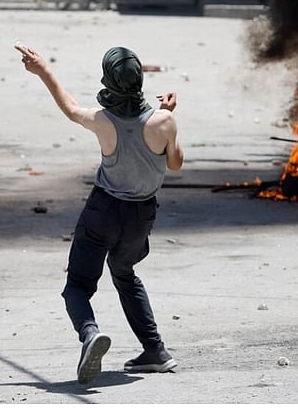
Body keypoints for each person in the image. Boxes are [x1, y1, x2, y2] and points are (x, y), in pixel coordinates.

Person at [16, 43, 184, 384]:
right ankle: (155, 350)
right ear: (139, 81)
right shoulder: (164, 121)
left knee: (77, 286)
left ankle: (90, 334)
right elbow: (175, 164)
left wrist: (44, 70)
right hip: (142, 215)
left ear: (109, 81)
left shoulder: (102, 120)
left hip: (104, 210)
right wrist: (168, 115)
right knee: (124, 272)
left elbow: (70, 108)